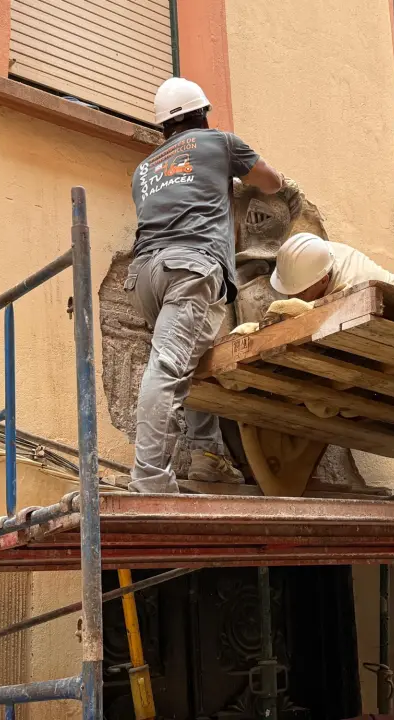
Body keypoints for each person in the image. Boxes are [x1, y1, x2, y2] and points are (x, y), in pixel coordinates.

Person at [127, 77, 286, 494]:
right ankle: (150, 480)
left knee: (193, 361)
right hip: (191, 269)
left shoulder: (143, 171)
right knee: (168, 366)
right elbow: (271, 183)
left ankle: (207, 455)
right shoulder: (219, 143)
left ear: (164, 125)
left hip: (144, 277)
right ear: (202, 114)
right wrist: (242, 181)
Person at [267, 232, 394, 503]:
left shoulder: (353, 283)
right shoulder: (311, 261)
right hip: (370, 341)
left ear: (322, 280)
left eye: (300, 293)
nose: (292, 295)